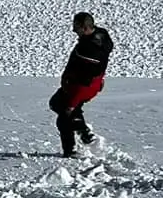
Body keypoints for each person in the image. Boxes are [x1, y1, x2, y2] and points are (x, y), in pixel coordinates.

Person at [49, 11, 114, 156]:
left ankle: (71, 149)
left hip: (80, 88)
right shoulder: (101, 35)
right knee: (60, 105)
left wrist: (72, 103)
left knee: (64, 115)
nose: (73, 30)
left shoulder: (89, 51)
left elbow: (84, 82)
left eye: (76, 27)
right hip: (92, 85)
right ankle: (83, 132)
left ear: (85, 28)